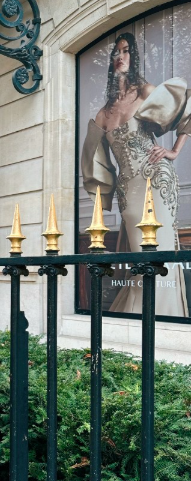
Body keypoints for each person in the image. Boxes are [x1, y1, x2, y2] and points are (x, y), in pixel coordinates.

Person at [82, 32, 191, 317]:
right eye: (116, 52)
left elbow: (186, 109)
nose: (120, 56)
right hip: (127, 189)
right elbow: (96, 163)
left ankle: (164, 319)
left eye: (126, 51)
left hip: (157, 178)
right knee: (141, 258)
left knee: (159, 252)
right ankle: (136, 321)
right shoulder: (103, 114)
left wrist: (174, 151)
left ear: (134, 57)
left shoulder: (144, 92)